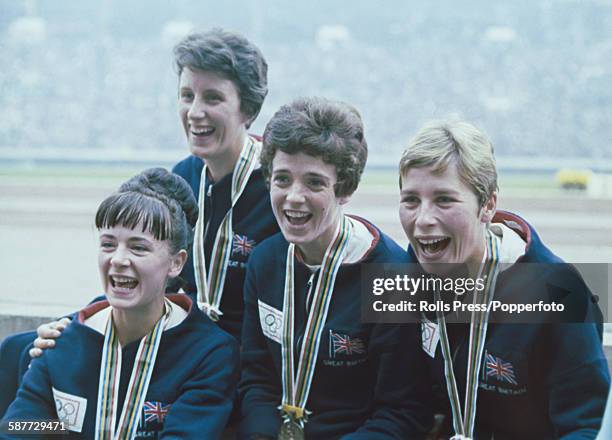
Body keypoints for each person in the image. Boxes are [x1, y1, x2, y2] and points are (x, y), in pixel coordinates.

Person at [0, 28, 279, 417]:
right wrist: (77, 321)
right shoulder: (181, 177)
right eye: (187, 96)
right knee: (19, 349)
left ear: (247, 109)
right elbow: (142, 266)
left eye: (212, 98)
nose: (195, 112)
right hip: (180, 331)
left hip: (233, 354)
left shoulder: (279, 186)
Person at [398, 119, 610, 438]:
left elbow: (585, 428)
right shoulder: (413, 269)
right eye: (411, 200)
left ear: (488, 205)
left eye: (444, 199)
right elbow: (404, 403)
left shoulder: (559, 292)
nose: (423, 219)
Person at [238, 97, 432, 439]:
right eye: (282, 179)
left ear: (345, 188)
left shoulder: (392, 276)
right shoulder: (264, 261)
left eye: (314, 183)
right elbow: (256, 380)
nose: (294, 197)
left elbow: (402, 412)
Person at [0, 168, 238, 438]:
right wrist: (60, 429)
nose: (118, 259)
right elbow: (17, 427)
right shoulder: (63, 339)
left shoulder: (210, 352)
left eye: (138, 247)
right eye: (108, 244)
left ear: (176, 262)